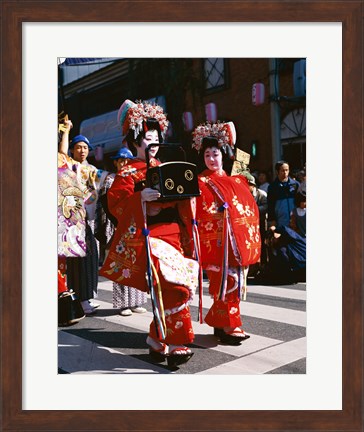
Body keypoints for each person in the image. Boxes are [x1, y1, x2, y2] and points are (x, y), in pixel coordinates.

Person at [100, 99, 200, 367]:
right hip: (150, 236)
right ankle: (178, 340)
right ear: (134, 142)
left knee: (172, 287)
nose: (152, 143)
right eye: (147, 138)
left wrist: (188, 196)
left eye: (156, 138)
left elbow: (185, 206)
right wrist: (140, 199)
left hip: (173, 237)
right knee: (173, 286)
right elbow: (116, 205)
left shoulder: (167, 167)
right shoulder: (128, 172)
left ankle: (157, 339)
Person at [192, 121, 261, 344]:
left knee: (236, 283)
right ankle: (229, 325)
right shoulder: (200, 182)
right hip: (216, 243)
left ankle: (223, 324)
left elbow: (248, 207)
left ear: (224, 155)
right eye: (208, 155)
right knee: (224, 283)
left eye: (216, 154)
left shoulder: (236, 180)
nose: (212, 159)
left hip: (236, 243)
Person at [59, 120, 108, 315]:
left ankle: (85, 297)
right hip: (70, 219)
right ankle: (80, 299)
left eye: (85, 148)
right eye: (78, 147)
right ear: (72, 150)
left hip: (86, 219)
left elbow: (103, 184)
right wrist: (66, 130)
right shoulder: (68, 166)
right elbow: (62, 155)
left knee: (89, 257)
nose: (82, 151)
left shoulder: (90, 169)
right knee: (76, 261)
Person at [96, 147, 148, 316]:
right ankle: (122, 304)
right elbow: (108, 204)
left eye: (126, 160)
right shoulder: (111, 179)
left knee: (137, 260)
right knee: (122, 262)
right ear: (116, 163)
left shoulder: (136, 174)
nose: (124, 163)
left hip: (136, 221)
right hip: (119, 222)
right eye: (121, 161)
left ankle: (136, 301)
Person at [267, 160, 299, 229]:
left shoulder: (295, 184)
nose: (285, 173)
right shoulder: (272, 187)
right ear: (277, 171)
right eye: (282, 170)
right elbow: (270, 205)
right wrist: (272, 221)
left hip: (295, 221)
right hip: (281, 222)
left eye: (287, 170)